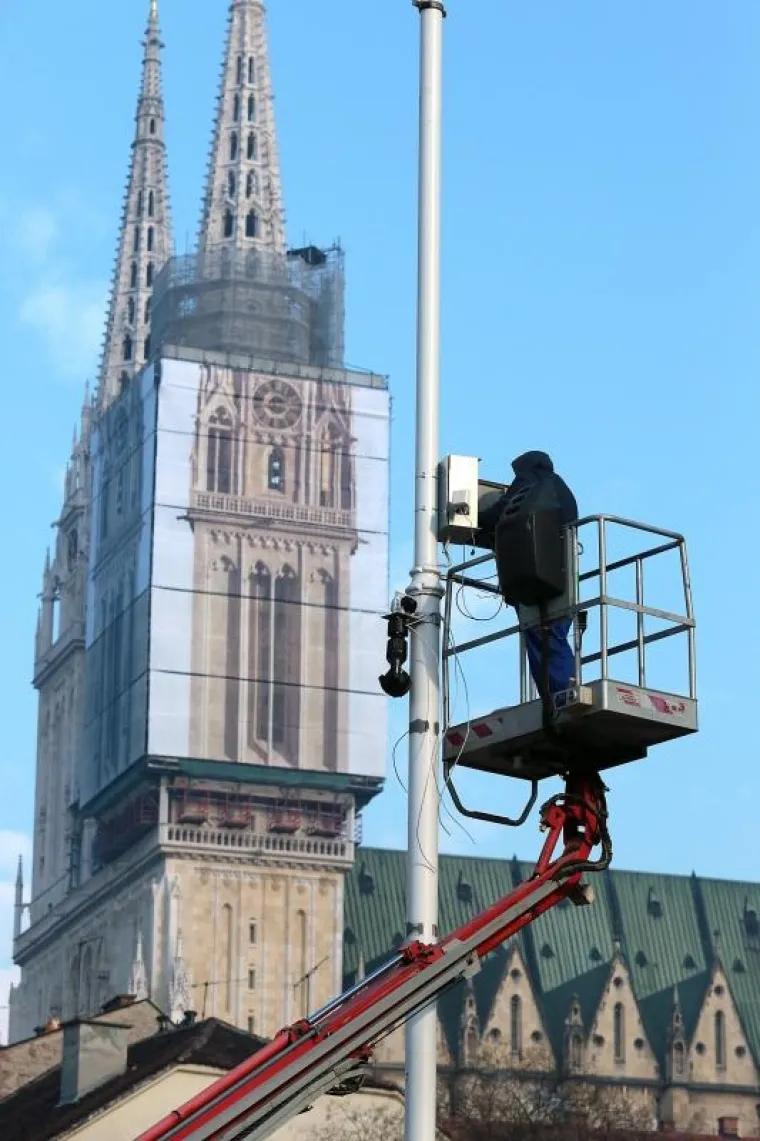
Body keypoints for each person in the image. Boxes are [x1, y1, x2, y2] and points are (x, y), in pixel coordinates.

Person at [479, 451, 578, 698]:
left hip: (534, 575)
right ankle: (566, 687)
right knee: (556, 635)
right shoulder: (561, 489)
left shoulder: (531, 481)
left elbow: (503, 512)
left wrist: (473, 518)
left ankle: (557, 695)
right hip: (564, 574)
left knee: (541, 637)